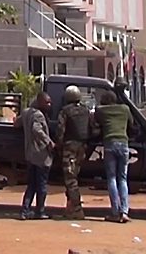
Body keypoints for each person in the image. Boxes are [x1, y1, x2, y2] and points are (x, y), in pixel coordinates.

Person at [94, 88, 136, 223]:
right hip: (124, 144)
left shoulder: (100, 110)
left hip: (109, 144)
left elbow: (96, 125)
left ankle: (115, 212)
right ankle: (124, 211)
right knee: (122, 178)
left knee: (111, 178)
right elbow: (132, 125)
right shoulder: (125, 109)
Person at [15, 92, 55, 220]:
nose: (49, 105)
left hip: (30, 155)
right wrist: (48, 142)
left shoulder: (26, 112)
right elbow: (36, 129)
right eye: (47, 102)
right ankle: (40, 211)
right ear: (39, 102)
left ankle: (24, 211)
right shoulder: (38, 115)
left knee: (31, 185)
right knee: (41, 185)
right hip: (41, 155)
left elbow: (17, 123)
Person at [56, 85, 93, 219]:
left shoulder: (65, 111)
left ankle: (77, 209)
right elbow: (93, 128)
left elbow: (60, 130)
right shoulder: (86, 110)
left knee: (70, 180)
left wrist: (59, 145)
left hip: (70, 147)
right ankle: (70, 208)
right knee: (73, 177)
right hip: (82, 148)